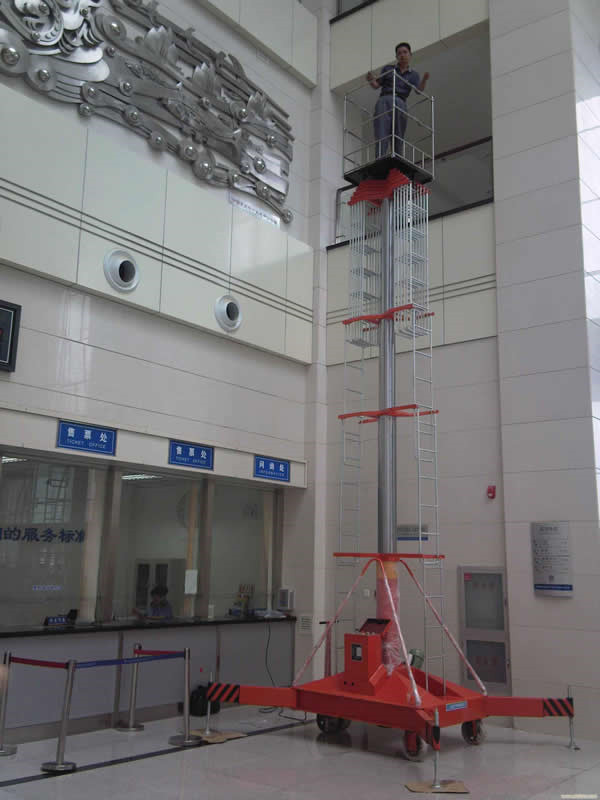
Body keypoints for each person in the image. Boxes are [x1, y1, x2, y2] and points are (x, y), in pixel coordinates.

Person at [367, 42, 429, 157]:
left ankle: (397, 158)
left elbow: (418, 91)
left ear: (410, 55)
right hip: (385, 99)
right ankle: (380, 158)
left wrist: (424, 80)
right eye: (399, 53)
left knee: (399, 131)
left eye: (405, 52)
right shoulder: (388, 69)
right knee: (381, 130)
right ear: (396, 57)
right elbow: (376, 85)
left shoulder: (413, 75)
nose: (402, 55)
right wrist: (370, 79)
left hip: (401, 101)